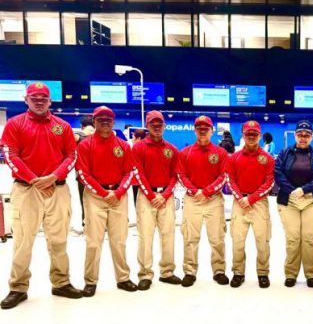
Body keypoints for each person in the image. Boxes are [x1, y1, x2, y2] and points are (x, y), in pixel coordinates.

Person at [0, 82, 82, 309]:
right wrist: (35, 180)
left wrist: (53, 177)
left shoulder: (62, 127)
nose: (39, 101)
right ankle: (18, 287)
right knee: (23, 240)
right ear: (25, 100)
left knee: (59, 239)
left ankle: (61, 282)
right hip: (27, 190)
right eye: (34, 98)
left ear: (50, 101)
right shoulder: (15, 124)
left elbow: (71, 156)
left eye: (43, 98)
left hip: (57, 190)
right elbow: (10, 155)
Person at [76, 106, 137, 297]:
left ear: (114, 122)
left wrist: (118, 192)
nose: (105, 122)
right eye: (100, 119)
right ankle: (90, 281)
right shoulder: (85, 145)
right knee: (93, 242)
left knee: (119, 241)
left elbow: (129, 172)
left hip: (118, 196)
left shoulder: (123, 146)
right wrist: (103, 193)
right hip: (95, 197)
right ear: (94, 121)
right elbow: (82, 174)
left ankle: (123, 278)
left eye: (108, 119)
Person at [274, 120, 313, 288]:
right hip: (289, 201)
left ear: (312, 137)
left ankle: (310, 274)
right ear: (295, 135)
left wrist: (304, 190)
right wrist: (293, 191)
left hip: (312, 200)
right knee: (293, 239)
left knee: (309, 239)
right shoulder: (285, 153)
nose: (303, 138)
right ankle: (291, 274)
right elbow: (278, 173)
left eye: (307, 135)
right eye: (300, 134)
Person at [177, 115, 229, 287]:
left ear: (212, 131)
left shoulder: (220, 153)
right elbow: (181, 175)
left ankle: (219, 270)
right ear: (194, 131)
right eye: (199, 128)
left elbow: (223, 176)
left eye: (206, 128)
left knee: (217, 238)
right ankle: (189, 271)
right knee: (190, 238)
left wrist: (206, 191)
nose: (202, 131)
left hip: (213, 199)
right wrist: (195, 191)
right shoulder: (185, 153)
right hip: (193, 200)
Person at [132, 110, 181, 290]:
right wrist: (152, 196)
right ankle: (145, 273)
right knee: (145, 236)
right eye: (153, 124)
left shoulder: (171, 149)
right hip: (147, 197)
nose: (156, 126)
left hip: (166, 197)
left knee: (168, 234)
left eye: (159, 123)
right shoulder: (138, 148)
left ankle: (167, 272)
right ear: (147, 125)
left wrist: (165, 195)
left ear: (164, 126)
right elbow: (138, 173)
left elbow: (175, 175)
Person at [226, 120, 275, 288]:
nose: (251, 137)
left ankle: (263, 273)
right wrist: (241, 198)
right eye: (248, 134)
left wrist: (251, 199)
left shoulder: (267, 158)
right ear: (243, 135)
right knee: (237, 241)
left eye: (255, 134)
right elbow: (230, 180)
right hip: (239, 202)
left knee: (263, 241)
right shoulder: (234, 158)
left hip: (259, 203)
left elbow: (269, 182)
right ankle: (238, 273)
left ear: (259, 136)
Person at [73, 115, 94, 234]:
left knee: (84, 200)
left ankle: (86, 224)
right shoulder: (102, 134)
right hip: (99, 174)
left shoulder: (77, 136)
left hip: (82, 175)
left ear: (82, 126)